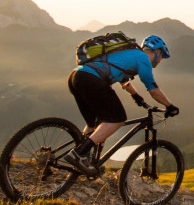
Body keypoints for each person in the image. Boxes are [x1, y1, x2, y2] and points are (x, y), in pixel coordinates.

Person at [63, 35, 179, 175]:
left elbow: (124, 80)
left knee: (94, 123)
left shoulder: (129, 53)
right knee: (117, 119)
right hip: (91, 79)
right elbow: (153, 89)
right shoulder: (143, 59)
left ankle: (84, 158)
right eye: (162, 56)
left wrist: (136, 97)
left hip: (76, 76)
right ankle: (79, 153)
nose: (161, 60)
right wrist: (169, 106)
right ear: (158, 51)